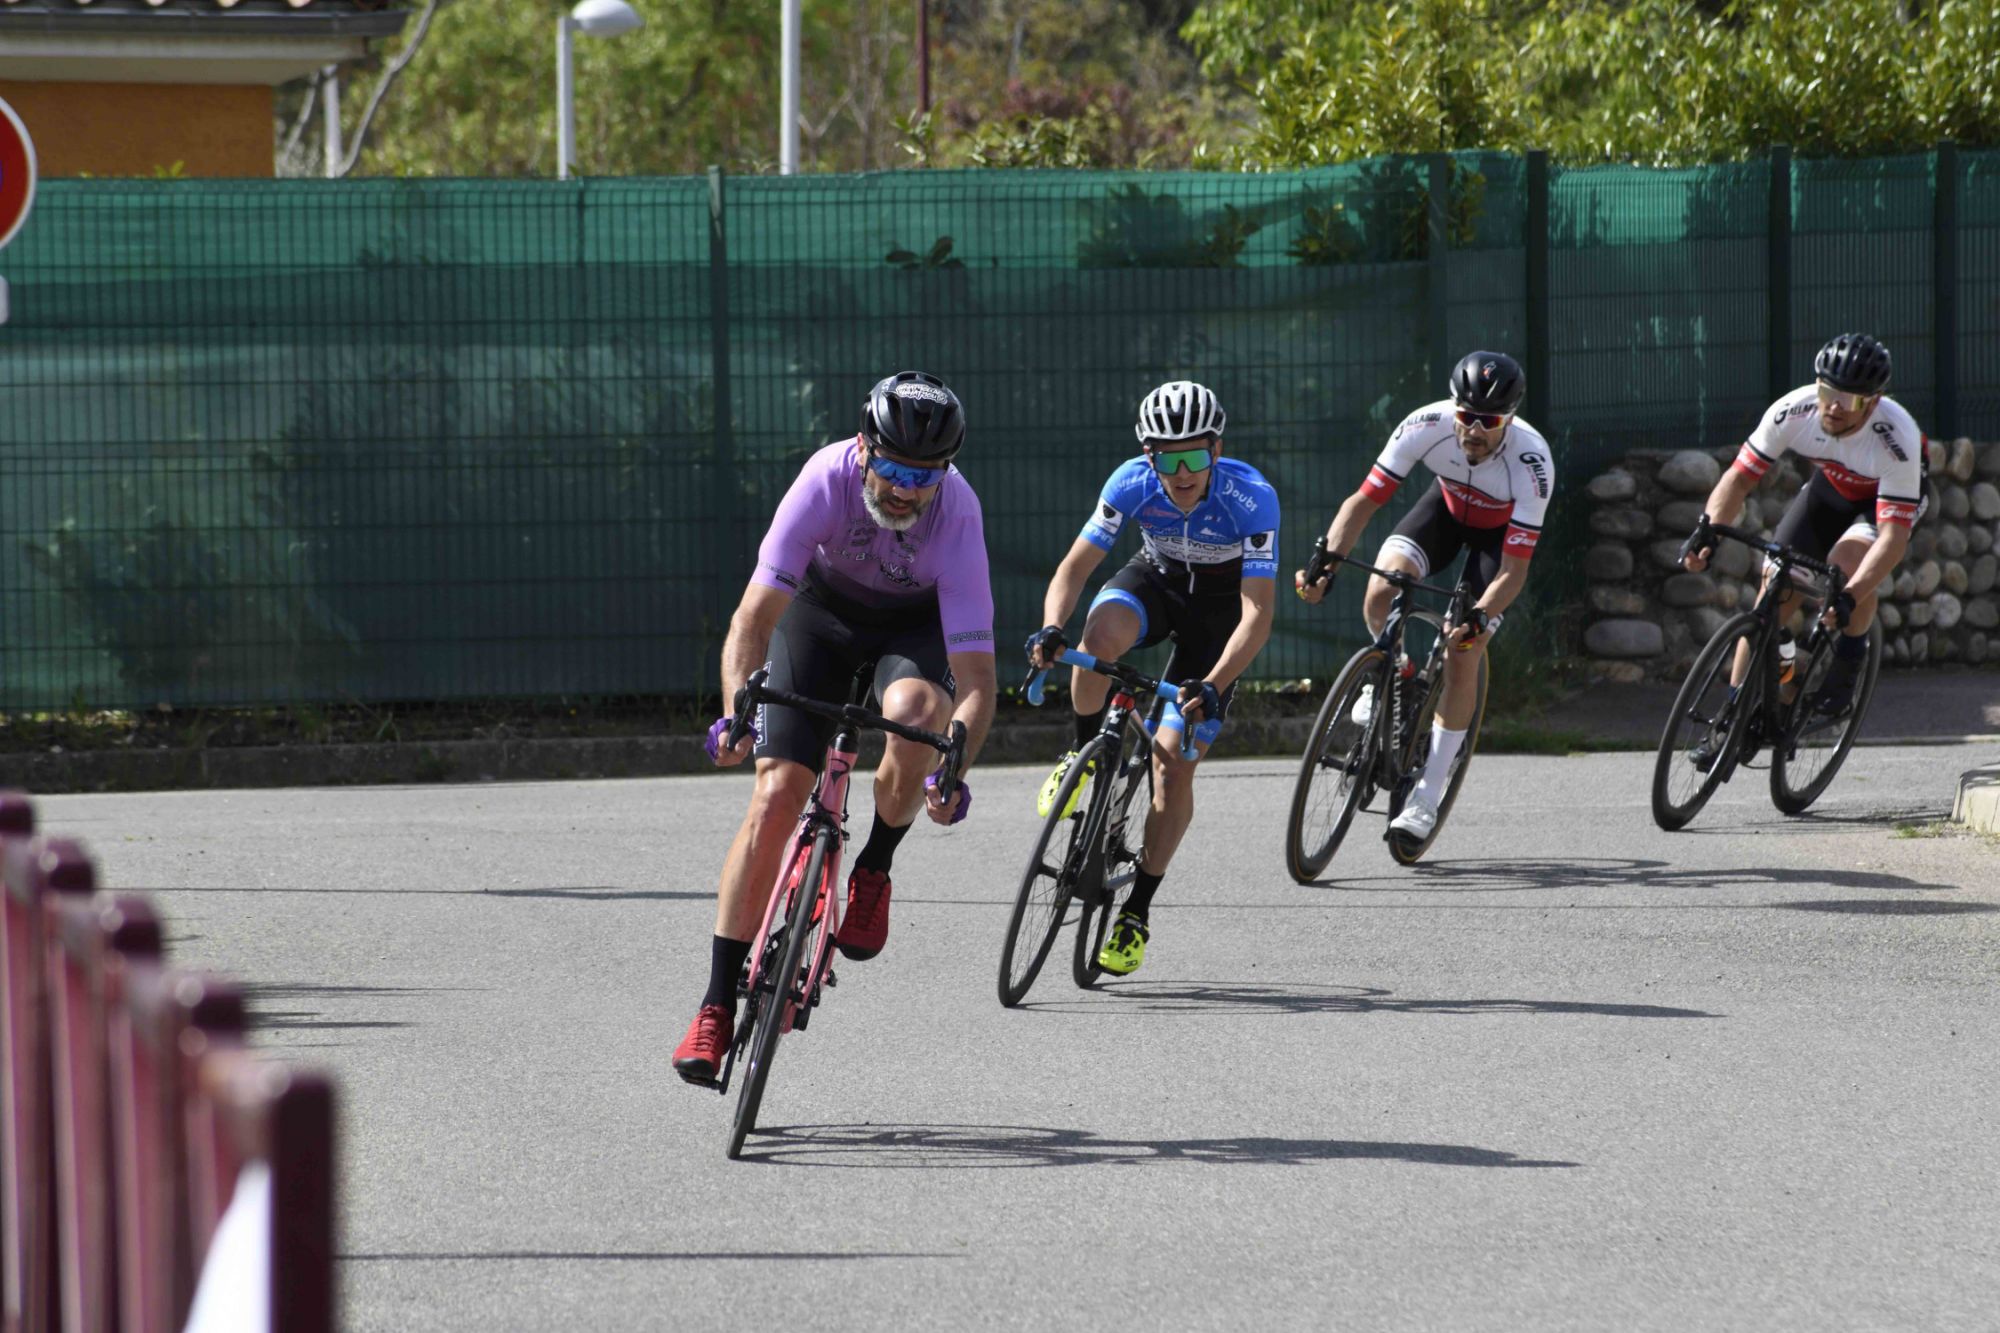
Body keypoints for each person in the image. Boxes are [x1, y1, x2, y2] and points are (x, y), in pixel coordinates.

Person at [671, 371, 996, 1083]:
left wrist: (954, 769)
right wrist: (734, 714)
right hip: (820, 618)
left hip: (913, 632)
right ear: (863, 448)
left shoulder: (958, 514)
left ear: (945, 473)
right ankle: (716, 1002)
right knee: (774, 796)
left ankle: (875, 865)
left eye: (925, 475)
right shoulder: (825, 479)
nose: (905, 489)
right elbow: (753, 620)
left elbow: (977, 682)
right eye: (893, 468)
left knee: (916, 718)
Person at [1024, 380, 1279, 976]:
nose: (1182, 472)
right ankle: (1082, 753)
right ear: (1149, 457)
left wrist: (1214, 684)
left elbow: (1257, 614)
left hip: (1220, 612)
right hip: (1157, 580)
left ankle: (1136, 911)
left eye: (1194, 456)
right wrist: (1051, 627)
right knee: (1096, 640)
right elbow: (1073, 569)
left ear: (1216, 450)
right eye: (1168, 459)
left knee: (1171, 763)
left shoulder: (1252, 498)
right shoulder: (1129, 483)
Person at [1294, 350, 1554, 843]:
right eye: (1466, 416)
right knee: (1381, 589)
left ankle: (1427, 796)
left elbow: (1514, 570)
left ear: (1509, 419)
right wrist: (1324, 565)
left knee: (1463, 651)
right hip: (1445, 513)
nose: (1474, 430)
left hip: (1497, 542)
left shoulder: (1532, 461)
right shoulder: (1425, 424)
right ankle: (1393, 673)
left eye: (1488, 421)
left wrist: (1480, 617)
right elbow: (1362, 502)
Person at [1680, 333, 1923, 756]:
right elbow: (1738, 478)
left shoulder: (1897, 438)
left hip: (1879, 504)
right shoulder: (1793, 410)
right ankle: (1734, 717)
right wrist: (1708, 529)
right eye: (1828, 392)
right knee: (1773, 594)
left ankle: (1850, 654)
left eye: (1848, 400)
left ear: (1873, 403)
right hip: (1830, 492)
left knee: (1846, 566)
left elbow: (1892, 539)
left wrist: (1849, 596)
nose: (1834, 406)